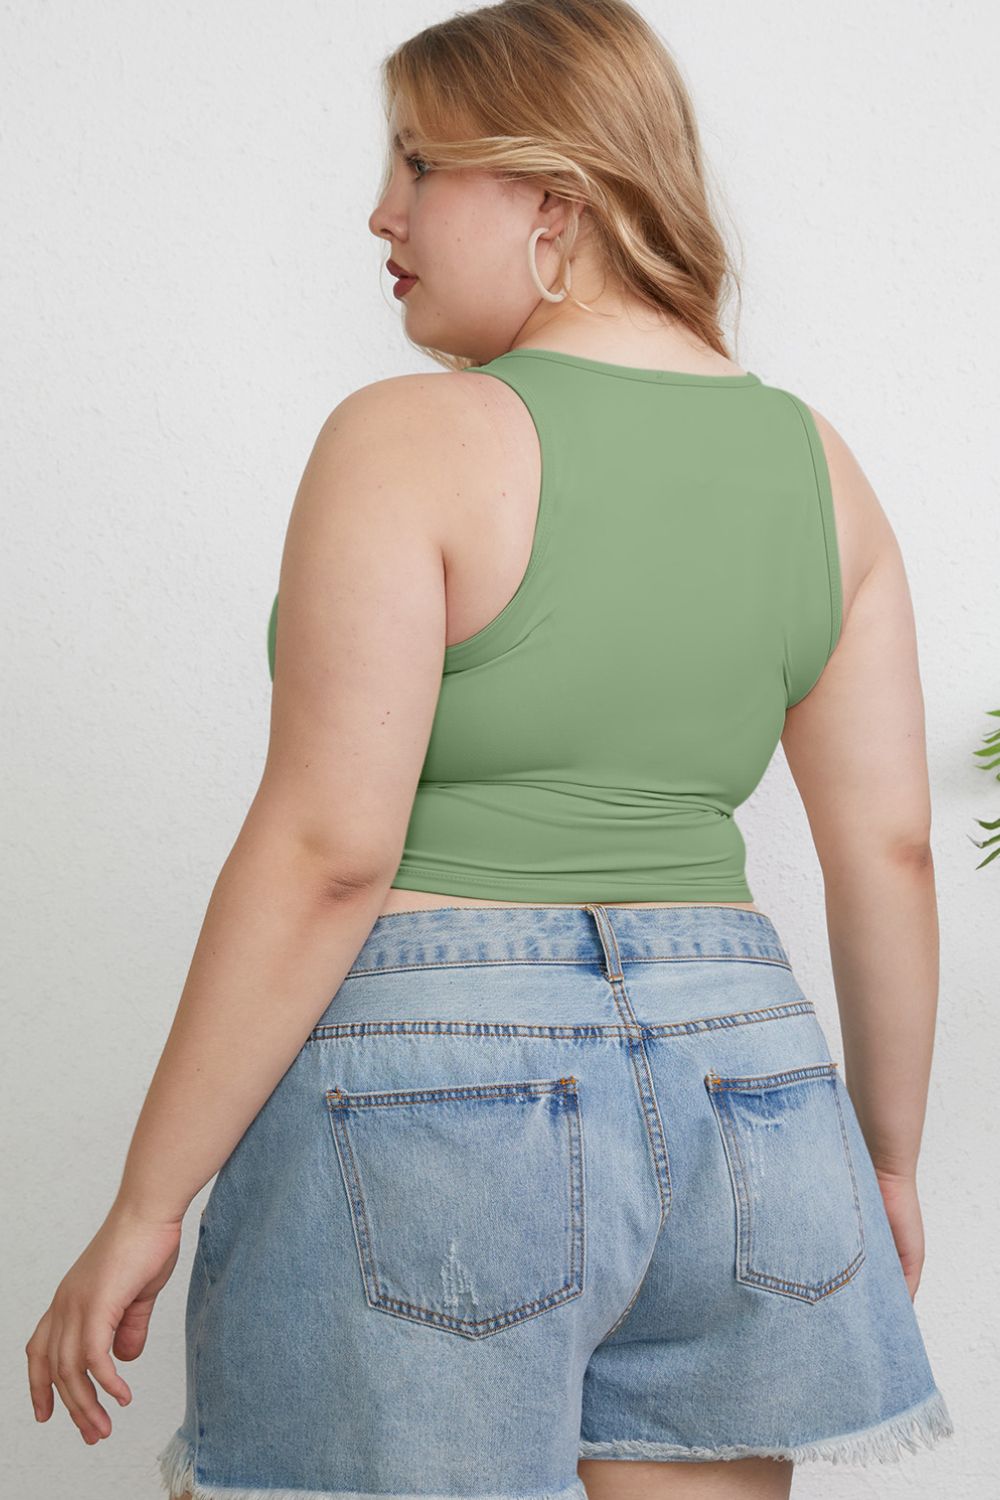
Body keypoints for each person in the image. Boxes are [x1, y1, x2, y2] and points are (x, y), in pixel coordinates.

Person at [26, 2, 954, 1496]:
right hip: (758, 1097)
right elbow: (891, 853)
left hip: (438, 1103)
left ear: (555, 198)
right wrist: (889, 1161)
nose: (379, 212)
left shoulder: (408, 441)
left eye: (419, 162)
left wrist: (148, 1200)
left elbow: (334, 852)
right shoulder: (816, 464)